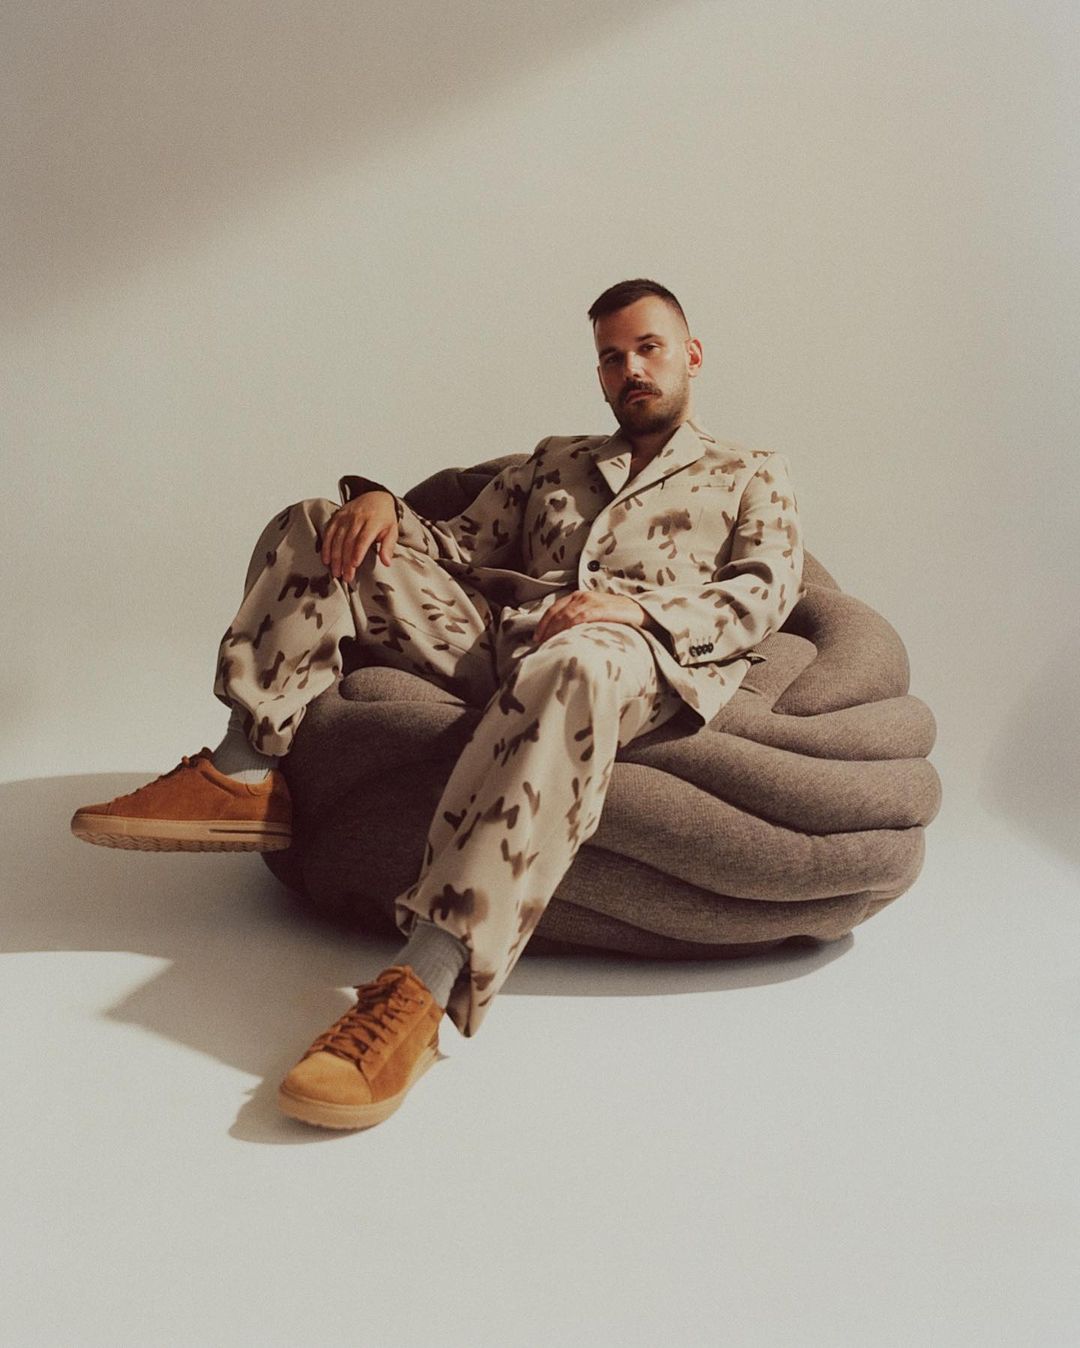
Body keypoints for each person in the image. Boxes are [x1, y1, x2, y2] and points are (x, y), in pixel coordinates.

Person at [71, 278, 805, 1131]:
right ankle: (244, 770)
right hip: (499, 637)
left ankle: (423, 983)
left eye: (649, 348)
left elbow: (766, 588)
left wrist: (634, 612)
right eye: (612, 357)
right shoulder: (555, 461)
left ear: (692, 355)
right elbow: (453, 545)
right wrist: (381, 504)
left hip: (631, 653)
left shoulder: (751, 471)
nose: (631, 368)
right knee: (321, 522)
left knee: (576, 660)